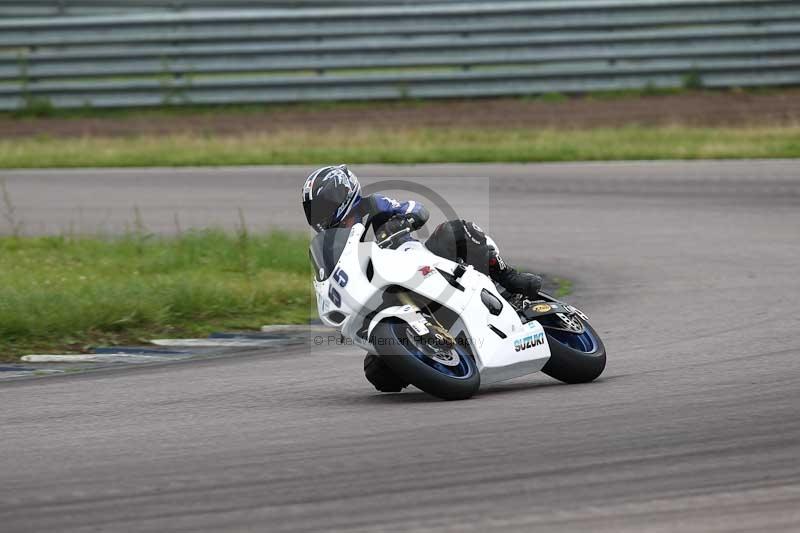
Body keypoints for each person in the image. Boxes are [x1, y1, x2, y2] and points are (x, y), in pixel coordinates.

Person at [301, 164, 541, 299]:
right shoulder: (330, 244)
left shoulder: (372, 205)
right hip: (386, 292)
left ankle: (505, 277)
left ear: (341, 195)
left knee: (455, 230)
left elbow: (417, 209)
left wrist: (401, 223)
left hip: (417, 262)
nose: (319, 214)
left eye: (323, 205)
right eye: (313, 209)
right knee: (381, 376)